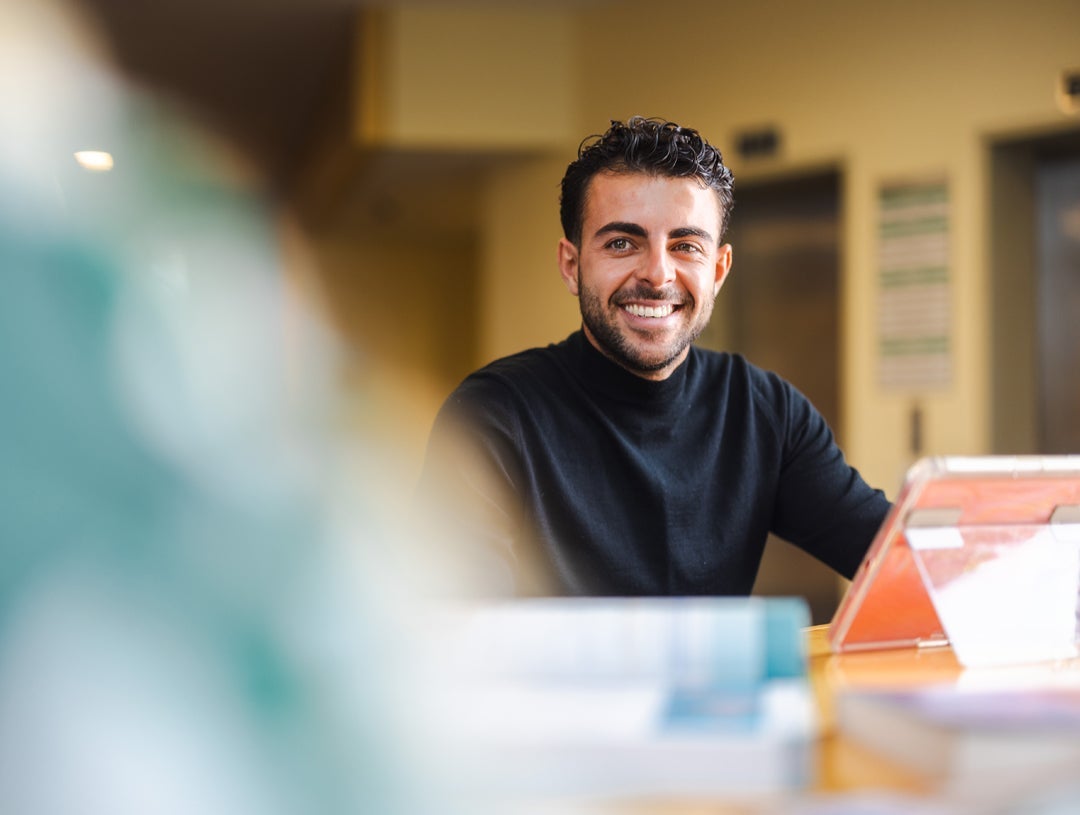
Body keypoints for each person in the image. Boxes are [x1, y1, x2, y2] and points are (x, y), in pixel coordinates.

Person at [418, 116, 890, 597]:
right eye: (622, 243)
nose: (658, 275)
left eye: (686, 246)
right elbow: (454, 629)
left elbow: (898, 561)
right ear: (571, 264)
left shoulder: (764, 410)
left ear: (719, 270)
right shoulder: (495, 416)